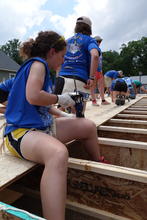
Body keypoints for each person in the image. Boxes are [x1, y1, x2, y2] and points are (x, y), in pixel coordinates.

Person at [3, 31, 107, 220]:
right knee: (58, 154)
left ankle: (98, 166)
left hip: (41, 128)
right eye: (62, 55)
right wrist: (61, 98)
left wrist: (63, 113)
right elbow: (33, 96)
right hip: (19, 134)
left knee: (87, 126)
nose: (64, 60)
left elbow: (40, 104)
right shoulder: (38, 64)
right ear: (52, 52)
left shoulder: (39, 70)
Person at [54, 16, 99, 113]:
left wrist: (58, 77)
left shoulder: (66, 41)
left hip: (62, 79)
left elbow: (57, 61)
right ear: (89, 28)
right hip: (79, 80)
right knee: (78, 115)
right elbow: (95, 56)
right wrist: (91, 78)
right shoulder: (89, 40)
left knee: (60, 113)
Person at [90, 36, 110, 106]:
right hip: (94, 70)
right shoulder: (92, 48)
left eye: (100, 41)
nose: (99, 42)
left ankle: (103, 100)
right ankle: (93, 101)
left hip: (99, 70)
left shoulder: (99, 50)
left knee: (101, 86)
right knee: (93, 86)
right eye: (97, 41)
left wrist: (101, 70)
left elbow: (100, 61)